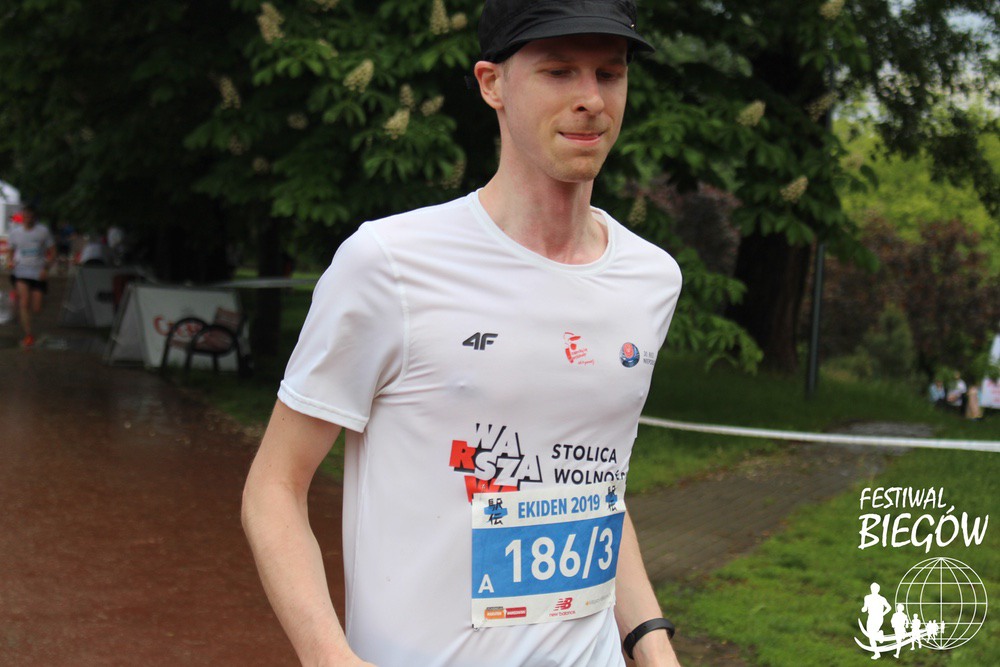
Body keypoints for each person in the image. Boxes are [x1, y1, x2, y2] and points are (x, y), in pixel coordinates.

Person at [241, 2, 684, 666]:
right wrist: (330, 657)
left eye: (609, 73)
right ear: (492, 83)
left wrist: (650, 642)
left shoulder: (650, 279)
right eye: (559, 71)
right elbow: (273, 487)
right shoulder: (390, 265)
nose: (591, 99)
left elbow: (593, 483)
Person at [6, 205, 55, 348]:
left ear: (35, 217)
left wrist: (46, 268)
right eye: (26, 216)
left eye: (31, 216)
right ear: (22, 217)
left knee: (36, 307)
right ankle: (28, 335)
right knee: (24, 302)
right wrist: (10, 261)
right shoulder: (15, 233)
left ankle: (36, 311)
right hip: (21, 271)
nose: (28, 219)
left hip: (38, 271)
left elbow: (53, 251)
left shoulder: (43, 231)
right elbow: (10, 251)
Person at [861, 583, 892, 660]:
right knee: (870, 636)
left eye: (875, 588)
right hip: (871, 617)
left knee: (871, 635)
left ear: (878, 589)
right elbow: (865, 607)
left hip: (878, 617)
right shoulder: (867, 598)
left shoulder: (881, 599)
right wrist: (863, 609)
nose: (874, 590)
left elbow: (889, 607)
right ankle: (877, 652)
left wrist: (882, 614)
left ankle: (879, 634)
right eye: (873, 588)